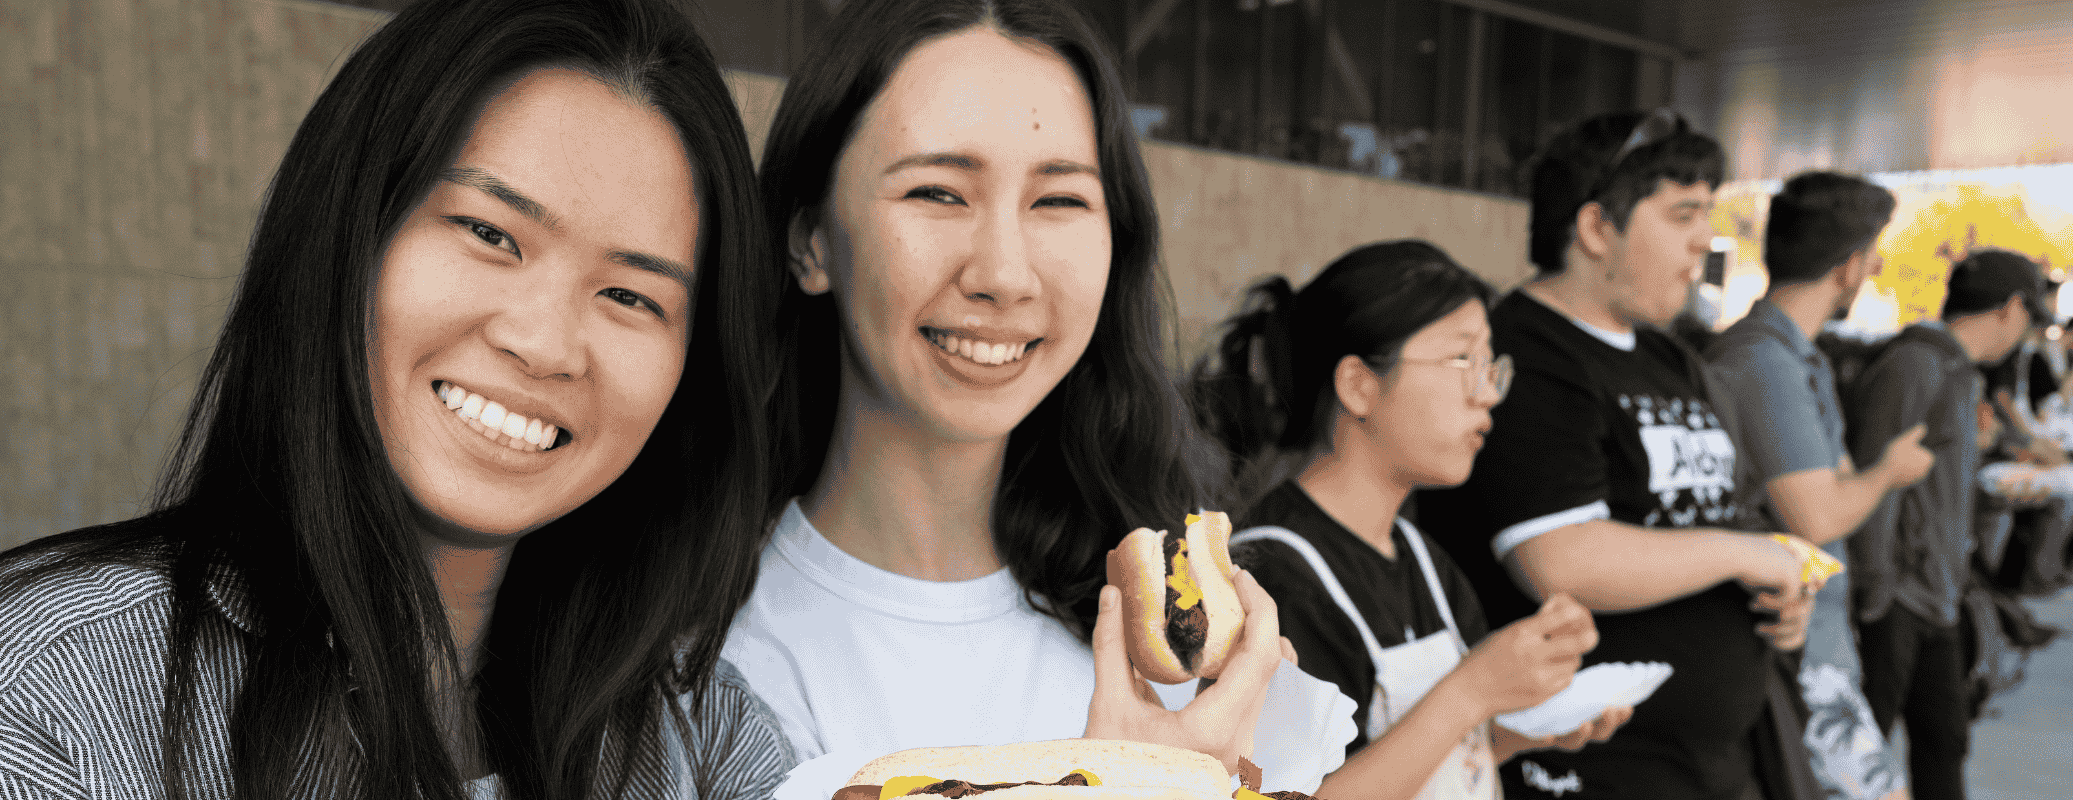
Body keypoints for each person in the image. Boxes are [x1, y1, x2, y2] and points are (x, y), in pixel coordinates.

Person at [0, 1, 792, 797]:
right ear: (346, 235)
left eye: (631, 294)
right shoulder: (13, 715)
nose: (544, 340)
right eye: (491, 233)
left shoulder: (685, 724)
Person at [722, 0, 1353, 790]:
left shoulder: (1186, 641)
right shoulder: (694, 662)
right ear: (809, 239)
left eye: (1059, 201)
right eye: (937, 193)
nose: (1003, 275)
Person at [1413, 109, 1810, 800]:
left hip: (1714, 761)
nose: (1703, 243)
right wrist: (1746, 555)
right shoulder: (1525, 353)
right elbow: (1560, 558)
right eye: (1683, 215)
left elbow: (1708, 511)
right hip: (1591, 766)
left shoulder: (1668, 355)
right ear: (1597, 228)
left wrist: (1775, 585)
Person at [1191, 241, 1631, 800]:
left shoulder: (1424, 559)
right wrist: (1473, 691)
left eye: (1490, 365)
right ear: (1359, 386)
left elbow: (1428, 759)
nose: (1488, 394)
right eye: (1461, 361)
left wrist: (1521, 724)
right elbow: (1287, 793)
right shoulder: (1267, 577)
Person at [1704, 172, 1924, 800]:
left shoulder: (1794, 356)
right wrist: (1892, 470)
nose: (1879, 265)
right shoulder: (1765, 364)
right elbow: (1819, 515)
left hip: (1813, 648)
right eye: (1874, 250)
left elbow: (1834, 487)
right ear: (1850, 266)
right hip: (1795, 655)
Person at [1842, 249, 2049, 800]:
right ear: (2010, 308)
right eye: (2031, 318)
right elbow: (1872, 475)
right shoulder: (1916, 364)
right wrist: (1876, 590)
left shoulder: (1956, 372)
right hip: (1898, 599)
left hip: (1937, 594)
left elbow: (1933, 485)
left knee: (1945, 742)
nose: (2027, 335)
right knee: (1863, 751)